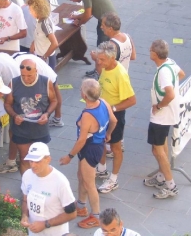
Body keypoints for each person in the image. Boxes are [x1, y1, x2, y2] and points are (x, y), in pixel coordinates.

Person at [60, 79, 117, 229]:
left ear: (84, 95)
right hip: (96, 146)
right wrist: (108, 134)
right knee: (81, 176)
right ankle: (81, 205)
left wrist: (69, 156)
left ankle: (96, 216)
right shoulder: (103, 102)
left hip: (89, 149)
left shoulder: (87, 115)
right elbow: (114, 120)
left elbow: (80, 141)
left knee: (89, 183)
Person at [144, 40, 185, 199]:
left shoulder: (163, 72)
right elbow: (181, 74)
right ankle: (161, 175)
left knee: (157, 150)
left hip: (161, 116)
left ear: (156, 54)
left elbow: (170, 94)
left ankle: (171, 185)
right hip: (169, 114)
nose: (149, 50)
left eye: (151, 49)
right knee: (161, 146)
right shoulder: (170, 63)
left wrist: (159, 106)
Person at [95, 41, 136, 194]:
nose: (99, 62)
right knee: (100, 141)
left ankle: (113, 179)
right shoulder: (106, 67)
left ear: (112, 58)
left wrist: (113, 109)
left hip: (115, 115)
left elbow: (132, 100)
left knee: (115, 147)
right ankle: (101, 168)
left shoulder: (120, 75)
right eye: (98, 59)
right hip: (103, 112)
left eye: (102, 60)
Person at [4, 59, 57, 175]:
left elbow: (54, 101)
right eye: (23, 76)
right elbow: (7, 104)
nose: (26, 79)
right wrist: (14, 115)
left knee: (40, 159)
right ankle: (26, 185)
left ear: (36, 71)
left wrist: (47, 114)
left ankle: (40, 182)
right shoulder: (13, 83)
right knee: (24, 158)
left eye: (30, 76)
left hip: (40, 129)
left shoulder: (45, 82)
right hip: (21, 129)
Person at [21, 142, 77, 235]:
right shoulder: (27, 175)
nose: (33, 165)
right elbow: (25, 200)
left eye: (37, 161)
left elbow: (72, 214)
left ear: (48, 160)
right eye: (31, 161)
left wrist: (45, 224)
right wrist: (24, 215)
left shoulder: (60, 182)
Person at [87, 12, 136, 79]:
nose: (101, 27)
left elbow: (100, 71)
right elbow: (133, 56)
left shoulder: (110, 46)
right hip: (124, 77)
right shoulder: (128, 37)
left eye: (103, 25)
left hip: (112, 81)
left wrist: (96, 58)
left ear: (110, 29)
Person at [25, 0, 59, 70]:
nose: (30, 12)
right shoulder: (39, 20)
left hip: (46, 58)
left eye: (31, 10)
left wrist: (44, 57)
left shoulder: (44, 23)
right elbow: (40, 35)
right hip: (39, 55)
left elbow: (55, 43)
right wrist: (33, 43)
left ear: (37, 9)